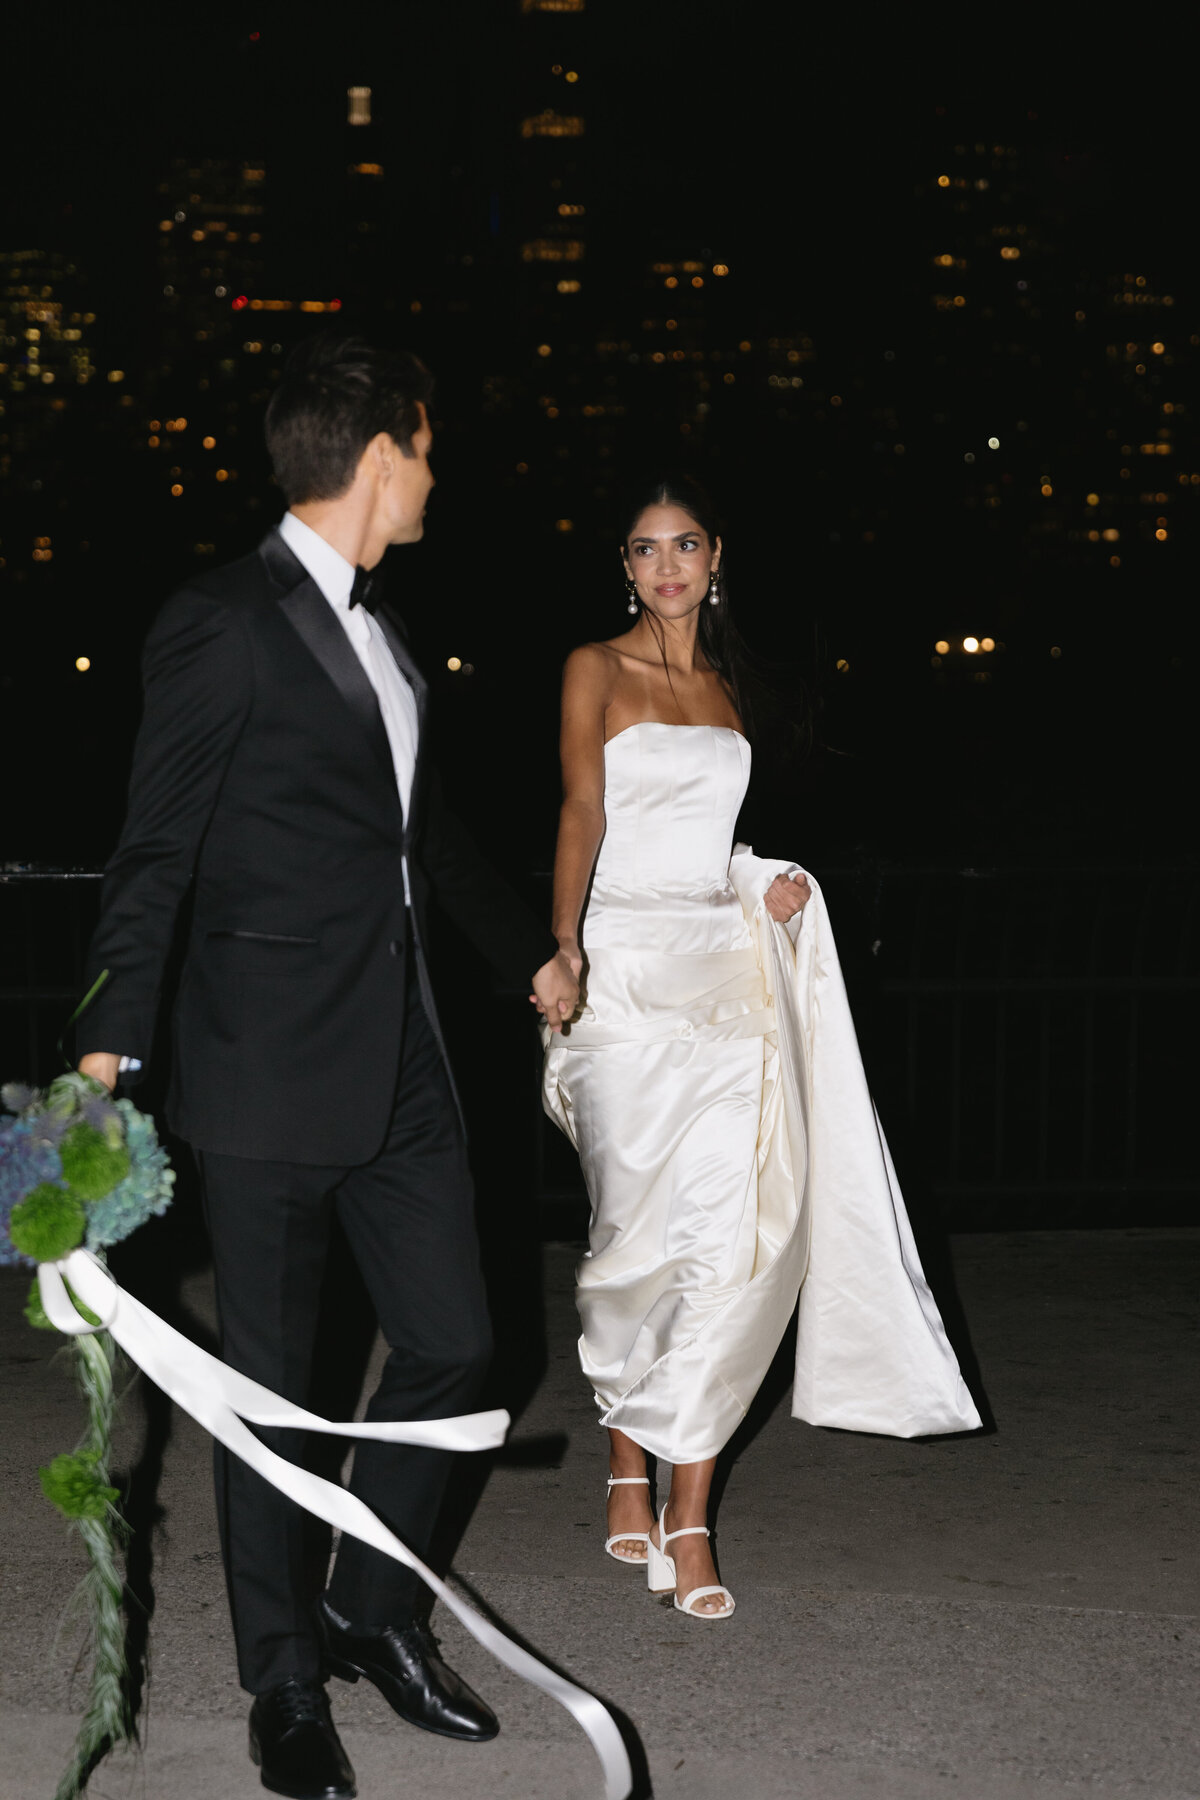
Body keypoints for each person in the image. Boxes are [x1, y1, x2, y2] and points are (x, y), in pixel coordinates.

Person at [77, 334, 579, 1800]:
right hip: (264, 1073)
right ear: (378, 457)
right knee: (272, 1392)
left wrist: (531, 957)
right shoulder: (219, 621)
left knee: (458, 1344)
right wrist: (104, 1051)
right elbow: (155, 850)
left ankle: (370, 1607)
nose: (434, 477)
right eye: (425, 452)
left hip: (405, 1060)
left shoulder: (390, 634)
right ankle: (284, 1683)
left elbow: (425, 839)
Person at [538, 474, 980, 1623]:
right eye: (645, 549)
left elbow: (708, 838)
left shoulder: (732, 689)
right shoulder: (594, 668)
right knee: (630, 1243)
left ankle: (688, 1516)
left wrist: (759, 882)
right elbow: (585, 812)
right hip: (624, 979)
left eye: (685, 545)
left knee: (730, 1243)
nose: (667, 566)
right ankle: (625, 1459)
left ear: (715, 557)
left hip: (725, 979)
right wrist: (564, 946)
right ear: (623, 567)